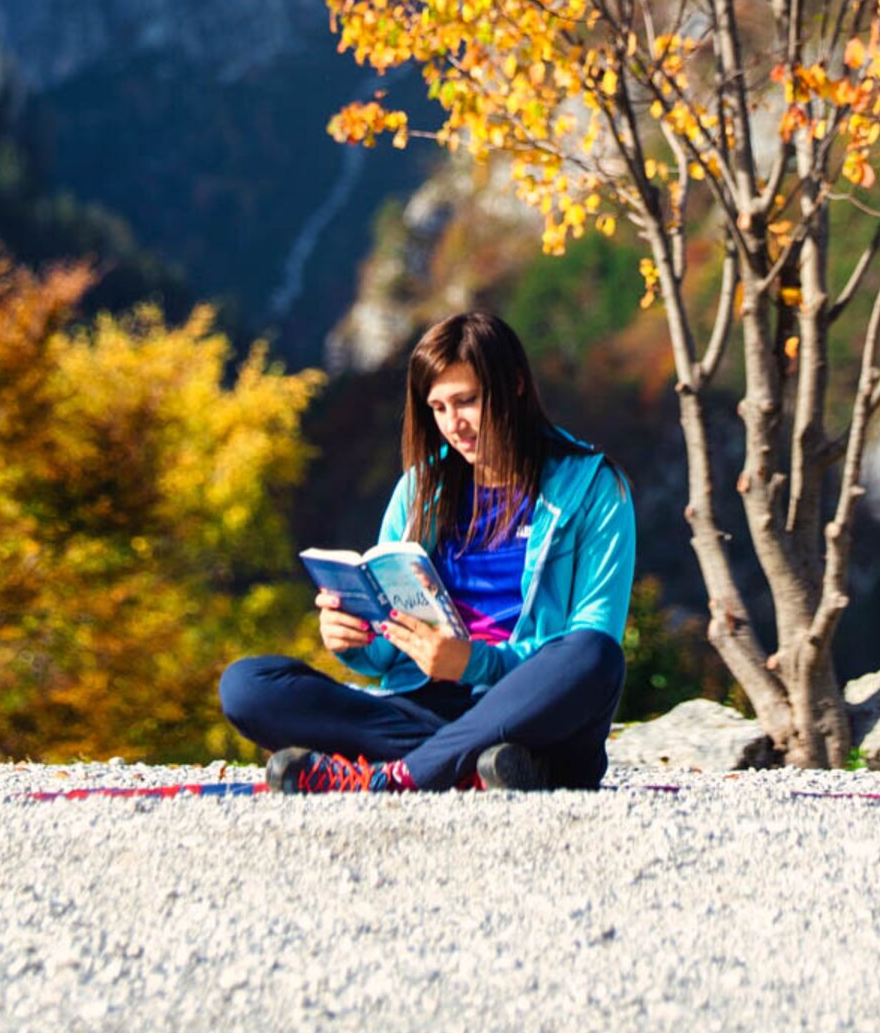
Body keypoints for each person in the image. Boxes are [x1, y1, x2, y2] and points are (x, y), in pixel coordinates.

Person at [219, 311, 636, 793]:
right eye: (438, 408)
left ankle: (398, 774)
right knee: (248, 686)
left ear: (515, 385)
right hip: (420, 706)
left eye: (467, 402)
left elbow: (593, 635)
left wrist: (473, 662)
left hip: (530, 707)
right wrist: (353, 640)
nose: (453, 425)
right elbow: (385, 654)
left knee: (595, 656)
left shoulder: (593, 488)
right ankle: (478, 766)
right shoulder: (421, 488)